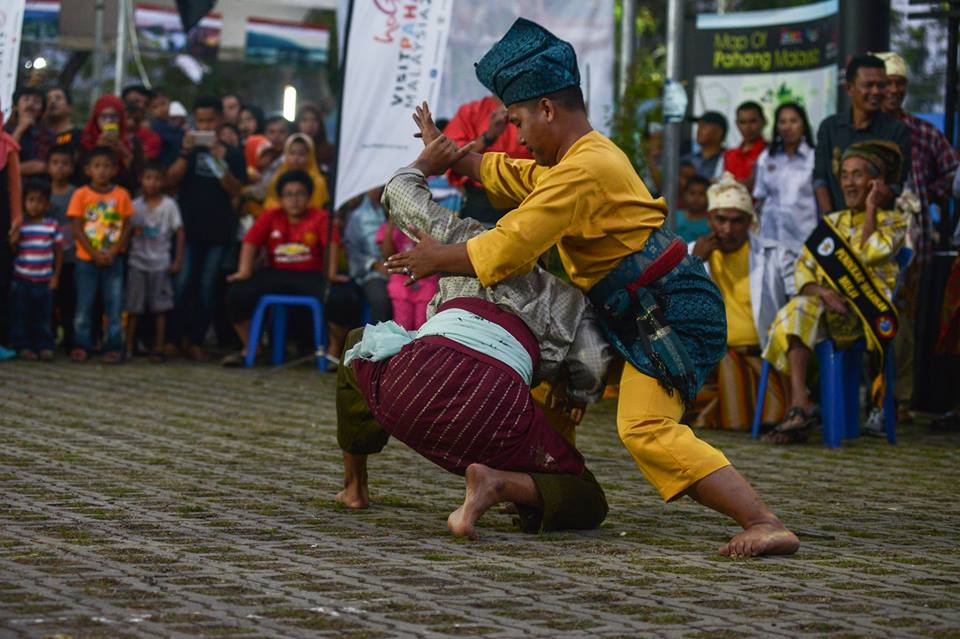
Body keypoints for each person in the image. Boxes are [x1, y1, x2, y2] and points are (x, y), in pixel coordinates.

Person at [389, 18, 799, 557]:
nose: (518, 134)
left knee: (644, 427)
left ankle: (762, 520)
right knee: (547, 391)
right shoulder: (576, 162)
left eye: (518, 121)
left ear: (548, 110)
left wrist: (436, 257)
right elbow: (518, 178)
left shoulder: (585, 168)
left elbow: (511, 245)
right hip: (628, 311)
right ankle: (536, 490)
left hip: (667, 314)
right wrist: (455, 155)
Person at [337, 137, 613, 538]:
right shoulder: (567, 300)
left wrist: (427, 161)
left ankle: (355, 488)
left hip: (411, 384)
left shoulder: (459, 235)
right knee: (587, 497)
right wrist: (570, 391)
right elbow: (593, 367)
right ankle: (500, 483)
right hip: (495, 414)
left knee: (358, 343)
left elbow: (397, 192)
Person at [762, 141, 907, 444]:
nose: (848, 183)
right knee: (797, 308)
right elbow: (804, 267)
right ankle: (800, 402)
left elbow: (868, 253)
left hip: (866, 315)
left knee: (799, 311)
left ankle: (800, 407)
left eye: (857, 175)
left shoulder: (893, 222)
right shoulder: (832, 222)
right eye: (844, 175)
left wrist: (870, 208)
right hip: (827, 308)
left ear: (874, 183)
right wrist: (822, 291)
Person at [688, 173, 796, 430]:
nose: (727, 229)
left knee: (770, 413)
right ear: (710, 219)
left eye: (737, 221)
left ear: (749, 222)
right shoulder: (692, 253)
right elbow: (668, 296)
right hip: (712, 360)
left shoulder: (775, 254)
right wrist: (693, 262)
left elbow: (798, 296)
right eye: (721, 220)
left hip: (762, 355)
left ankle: (719, 411)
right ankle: (726, 409)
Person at [222, 169, 358, 365]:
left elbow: (332, 243)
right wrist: (244, 271)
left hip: (311, 274)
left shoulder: (320, 217)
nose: (294, 200)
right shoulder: (271, 216)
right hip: (276, 273)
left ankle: (333, 353)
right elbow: (250, 241)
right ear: (281, 198)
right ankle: (252, 347)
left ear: (309, 197)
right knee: (237, 293)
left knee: (341, 297)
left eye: (300, 194)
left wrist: (332, 273)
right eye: (289, 194)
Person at [166, 95, 246, 361]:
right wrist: (185, 152)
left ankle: (197, 340)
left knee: (206, 287)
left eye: (209, 120)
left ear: (220, 120)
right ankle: (173, 340)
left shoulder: (232, 153)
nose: (205, 126)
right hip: (187, 229)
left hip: (218, 231)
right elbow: (169, 180)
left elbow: (236, 190)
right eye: (200, 121)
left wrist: (219, 159)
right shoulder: (186, 147)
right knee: (182, 284)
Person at [814, 55, 911, 214]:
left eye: (881, 85)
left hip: (879, 228)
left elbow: (897, 185)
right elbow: (820, 178)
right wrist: (831, 220)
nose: (876, 91)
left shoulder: (897, 130)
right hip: (836, 224)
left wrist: (876, 201)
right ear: (849, 88)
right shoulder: (829, 128)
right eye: (868, 85)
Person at [67, 146, 134, 363]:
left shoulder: (122, 195)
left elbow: (127, 226)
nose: (102, 171)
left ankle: (113, 346)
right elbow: (77, 227)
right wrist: (93, 252)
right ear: (88, 170)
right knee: (84, 305)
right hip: (86, 259)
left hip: (114, 259)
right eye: (97, 166)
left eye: (107, 166)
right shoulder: (81, 194)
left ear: (114, 169)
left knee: (114, 306)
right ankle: (81, 344)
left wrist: (114, 250)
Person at [442, 95, 533, 226]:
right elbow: (451, 156)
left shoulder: (534, 111)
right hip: (481, 201)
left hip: (527, 200)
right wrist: (489, 136)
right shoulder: (471, 111)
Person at [125, 162, 184, 362]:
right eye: (148, 178)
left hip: (161, 262)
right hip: (137, 261)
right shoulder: (134, 206)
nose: (152, 183)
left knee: (160, 307)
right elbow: (126, 230)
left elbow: (179, 232)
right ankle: (129, 345)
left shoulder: (169, 205)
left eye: (157, 178)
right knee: (134, 306)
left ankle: (159, 346)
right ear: (141, 180)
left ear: (164, 181)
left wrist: (177, 260)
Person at [753, 102, 818, 252]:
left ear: (803, 124)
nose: (788, 127)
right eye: (782, 122)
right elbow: (760, 198)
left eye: (793, 121)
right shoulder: (767, 157)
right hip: (770, 237)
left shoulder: (813, 157)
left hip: (804, 238)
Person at [9, 179, 62, 361]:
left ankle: (44, 346)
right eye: (31, 200)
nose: (35, 205)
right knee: (22, 315)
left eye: (40, 201)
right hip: (22, 278)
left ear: (47, 204)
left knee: (43, 317)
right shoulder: (20, 225)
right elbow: (14, 251)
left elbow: (58, 252)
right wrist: (13, 240)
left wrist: (55, 275)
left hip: (44, 279)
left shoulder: (51, 225)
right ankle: (23, 345)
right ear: (24, 202)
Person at [377, 219, 439, 330]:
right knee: (403, 328)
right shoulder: (388, 227)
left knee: (423, 327)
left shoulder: (430, 224)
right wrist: (391, 226)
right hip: (401, 285)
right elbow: (387, 256)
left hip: (427, 283)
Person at [342, 187, 392, 323]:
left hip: (401, 270)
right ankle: (381, 341)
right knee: (381, 299)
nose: (378, 190)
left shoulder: (400, 211)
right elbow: (352, 250)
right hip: (373, 272)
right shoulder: (358, 217)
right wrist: (375, 265)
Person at [47, 145, 78, 351]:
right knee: (49, 302)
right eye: (55, 163)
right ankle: (47, 338)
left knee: (69, 300)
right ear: (48, 166)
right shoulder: (40, 192)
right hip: (45, 257)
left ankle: (69, 339)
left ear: (72, 168)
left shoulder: (76, 193)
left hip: (71, 256)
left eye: (65, 164)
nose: (60, 168)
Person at [80, 95, 139, 192]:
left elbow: (137, 180)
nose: (109, 121)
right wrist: (97, 149)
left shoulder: (131, 142)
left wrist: (125, 154)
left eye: (114, 117)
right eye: (103, 117)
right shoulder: (85, 140)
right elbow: (80, 175)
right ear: (96, 118)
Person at [0, 108, 22, 358]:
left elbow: (15, 187)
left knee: (2, 281)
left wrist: (17, 220)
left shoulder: (7, 146)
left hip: (2, 223)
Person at [262, 133, 329, 210]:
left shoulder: (317, 182)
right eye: (292, 153)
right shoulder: (278, 177)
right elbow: (270, 202)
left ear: (310, 156)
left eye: (301, 154)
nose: (296, 158)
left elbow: (316, 207)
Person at [4, 87, 54, 178]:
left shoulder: (48, 136)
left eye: (36, 101)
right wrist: (20, 129)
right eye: (26, 99)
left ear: (41, 111)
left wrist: (9, 169)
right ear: (15, 107)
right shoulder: (4, 131)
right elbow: (3, 158)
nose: (30, 104)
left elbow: (42, 166)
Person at [723, 101, 766, 186]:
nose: (748, 127)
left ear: (764, 121)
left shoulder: (771, 153)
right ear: (737, 124)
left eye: (753, 121)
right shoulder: (728, 155)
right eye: (743, 122)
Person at [682, 111, 727, 180]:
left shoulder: (729, 160)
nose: (699, 130)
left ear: (719, 132)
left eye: (704, 126)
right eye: (699, 126)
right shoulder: (686, 160)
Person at [123, 85, 161, 162]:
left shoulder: (153, 135)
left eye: (146, 103)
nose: (141, 106)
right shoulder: (110, 130)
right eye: (135, 101)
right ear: (122, 103)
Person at [295, 102, 335, 174]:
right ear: (297, 123)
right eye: (304, 120)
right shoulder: (288, 149)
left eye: (314, 120)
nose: (310, 125)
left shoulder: (329, 152)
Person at [148, 87, 183, 167]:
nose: (161, 109)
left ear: (169, 102)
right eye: (155, 107)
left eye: (163, 104)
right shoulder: (155, 128)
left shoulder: (176, 125)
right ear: (150, 110)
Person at [673, 175, 710, 243]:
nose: (696, 198)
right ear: (684, 194)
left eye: (701, 194)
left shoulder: (711, 222)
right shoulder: (674, 217)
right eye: (692, 193)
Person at [45, 87, 82, 153]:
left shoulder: (79, 136)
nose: (52, 102)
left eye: (58, 98)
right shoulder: (39, 135)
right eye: (48, 99)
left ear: (70, 107)